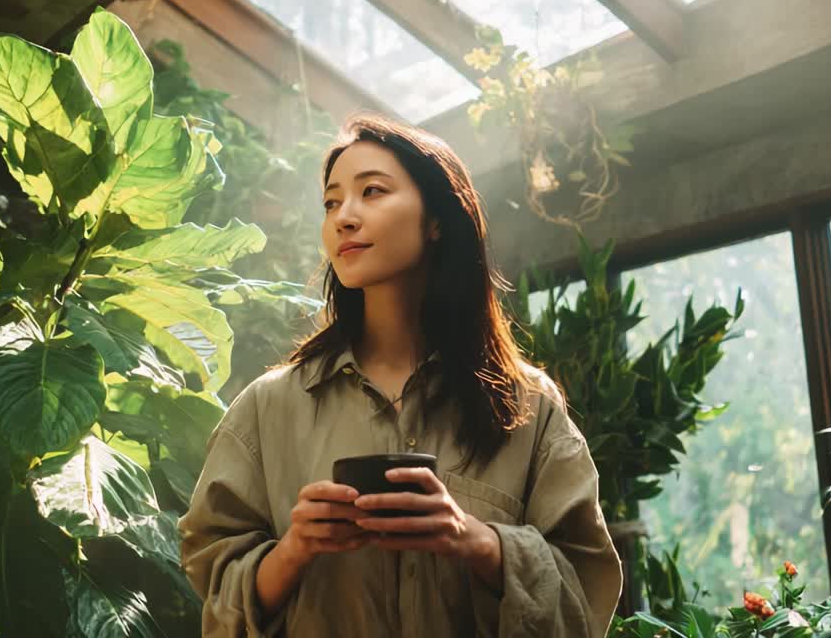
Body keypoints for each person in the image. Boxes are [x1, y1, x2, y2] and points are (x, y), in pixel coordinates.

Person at [178, 114, 622, 637]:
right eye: (331, 202)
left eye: (372, 191)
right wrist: (293, 549)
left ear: (437, 219)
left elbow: (586, 591)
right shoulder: (266, 408)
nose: (344, 216)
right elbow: (213, 588)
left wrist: (476, 540)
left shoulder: (528, 406)